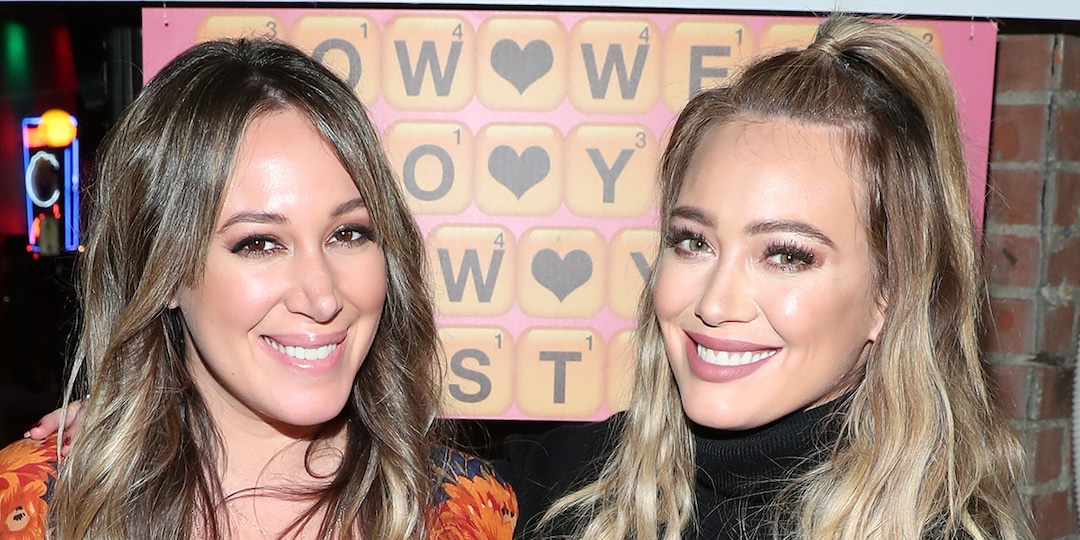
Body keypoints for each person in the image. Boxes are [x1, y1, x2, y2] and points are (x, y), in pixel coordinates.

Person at [498, 15, 1030, 540]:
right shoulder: (542, 490)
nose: (715, 303)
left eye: (786, 256)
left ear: (891, 293)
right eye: (694, 242)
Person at [0, 37, 515, 539]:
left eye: (348, 233)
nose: (323, 297)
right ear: (164, 272)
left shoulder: (466, 513)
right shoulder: (33, 507)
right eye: (260, 244)